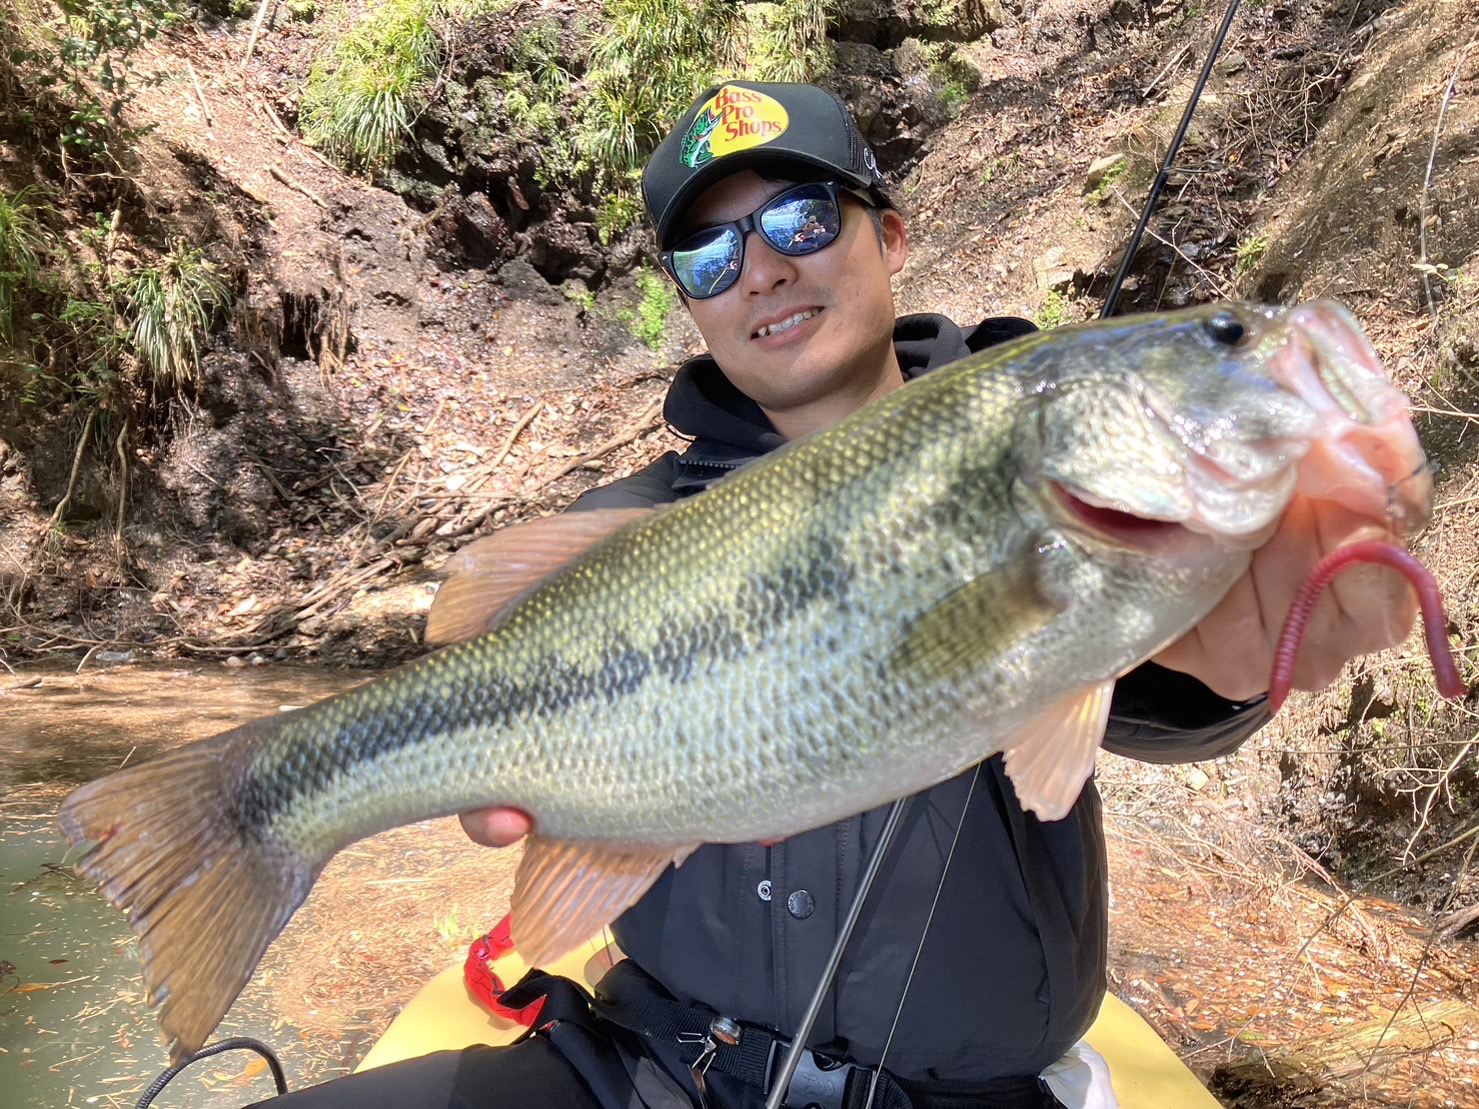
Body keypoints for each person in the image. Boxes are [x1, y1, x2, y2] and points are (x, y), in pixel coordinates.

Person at [255, 81, 1417, 1109]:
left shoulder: (1030, 457)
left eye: (800, 219)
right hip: (646, 1065)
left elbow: (1165, 691)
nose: (760, 268)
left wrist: (1233, 657)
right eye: (709, 257)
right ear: (692, 305)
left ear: (890, 234)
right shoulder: (627, 527)